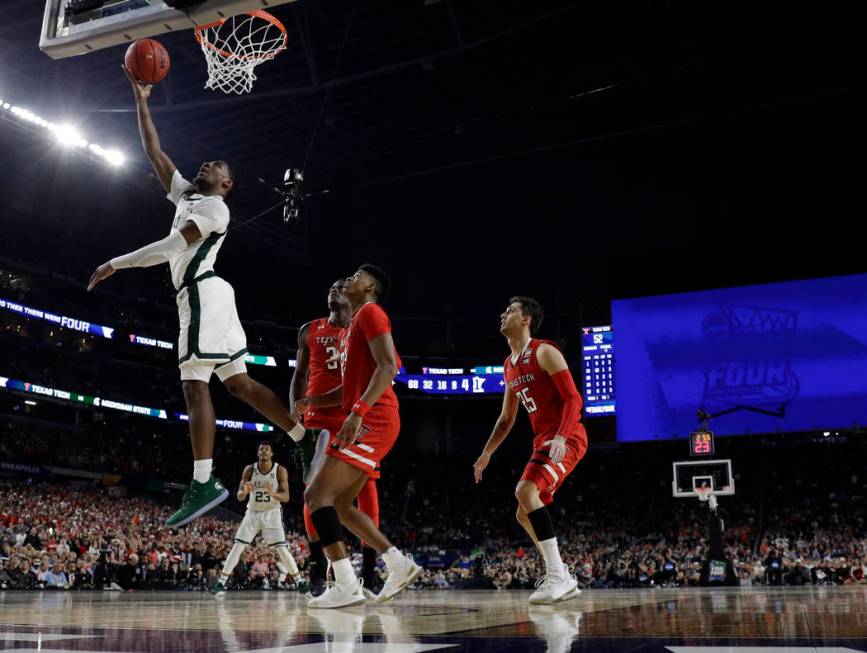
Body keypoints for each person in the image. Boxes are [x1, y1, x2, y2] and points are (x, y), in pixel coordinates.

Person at [86, 66, 308, 527]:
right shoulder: (187, 194)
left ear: (227, 185)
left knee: (193, 382)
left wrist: (116, 263)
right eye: (208, 162)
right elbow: (154, 151)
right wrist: (141, 97)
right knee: (239, 384)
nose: (208, 164)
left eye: (218, 167)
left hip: (202, 294)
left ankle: (203, 481)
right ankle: (301, 436)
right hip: (215, 294)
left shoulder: (214, 208)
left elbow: (172, 247)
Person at [297, 264, 421, 608]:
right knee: (338, 505)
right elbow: (346, 389)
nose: (350, 278)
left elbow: (389, 367)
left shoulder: (371, 313)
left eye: (356, 276)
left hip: (374, 418)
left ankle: (346, 583)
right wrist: (311, 401)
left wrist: (357, 413)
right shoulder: (356, 324)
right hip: (370, 416)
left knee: (316, 495)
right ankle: (398, 564)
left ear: (370, 288)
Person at [474, 296, 586, 604]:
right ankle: (560, 573)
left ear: (526, 320)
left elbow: (573, 399)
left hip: (568, 435)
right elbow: (507, 419)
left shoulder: (544, 351)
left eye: (510, 310)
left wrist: (562, 437)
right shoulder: (509, 365)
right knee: (524, 512)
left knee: (525, 491)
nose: (503, 313)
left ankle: (558, 575)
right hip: (545, 440)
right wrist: (487, 453)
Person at [289, 279, 382, 596]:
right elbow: (299, 375)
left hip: (355, 416)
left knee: (367, 491)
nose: (335, 288)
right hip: (321, 421)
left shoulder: (362, 329)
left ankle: (369, 572)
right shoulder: (309, 330)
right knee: (314, 491)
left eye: (342, 285)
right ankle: (317, 565)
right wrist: (295, 406)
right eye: (331, 286)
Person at [210, 441, 304, 597]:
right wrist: (244, 492)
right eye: (261, 449)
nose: (263, 452)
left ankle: (300, 581)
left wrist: (272, 493)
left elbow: (286, 497)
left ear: (272, 453)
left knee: (281, 548)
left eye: (267, 450)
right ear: (258, 452)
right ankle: (221, 582)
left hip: (272, 513)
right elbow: (240, 497)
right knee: (237, 546)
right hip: (252, 513)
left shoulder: (280, 470)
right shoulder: (249, 470)